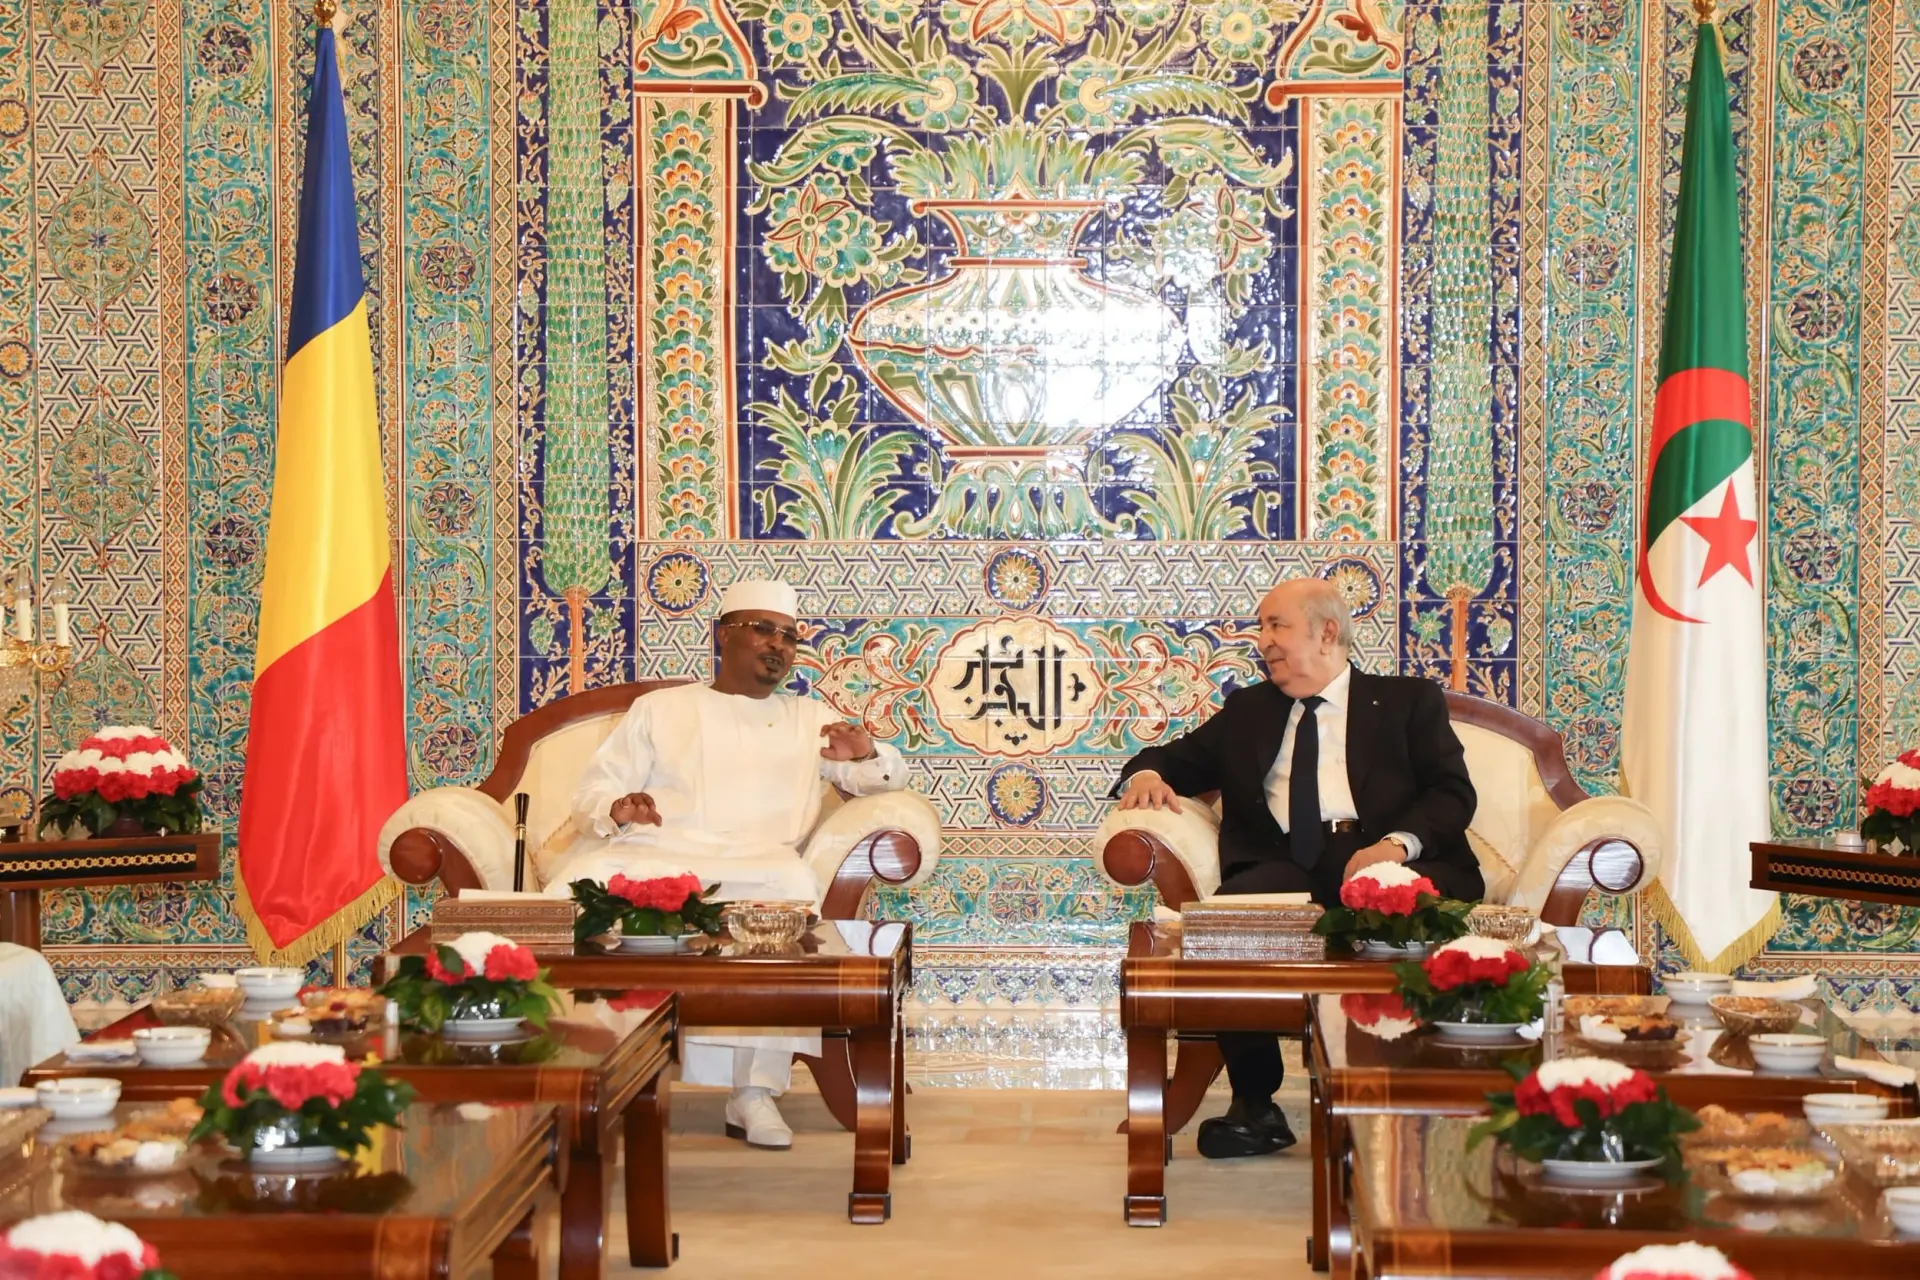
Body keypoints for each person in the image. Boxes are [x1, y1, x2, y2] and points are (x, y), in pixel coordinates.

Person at [1113, 576, 1481, 1159]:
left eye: (1276, 625)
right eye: (1262, 627)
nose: (1263, 640)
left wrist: (1395, 846)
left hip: (1375, 857)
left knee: (1400, 914)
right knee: (1229, 926)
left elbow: (1452, 793)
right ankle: (1255, 1104)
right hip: (1284, 862)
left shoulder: (1407, 701)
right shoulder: (1250, 710)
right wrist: (1148, 777)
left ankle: (1400, 1094)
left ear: (1327, 632)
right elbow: (1168, 758)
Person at [556, 577, 907, 1150]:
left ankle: (754, 1093)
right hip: (656, 854)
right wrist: (617, 809)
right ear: (723, 636)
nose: (778, 645)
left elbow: (880, 780)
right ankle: (583, 1075)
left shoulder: (808, 718)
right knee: (571, 887)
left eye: (789, 636)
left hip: (758, 863)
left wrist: (866, 753)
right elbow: (595, 790)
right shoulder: (661, 709)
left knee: (791, 886)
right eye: (763, 629)